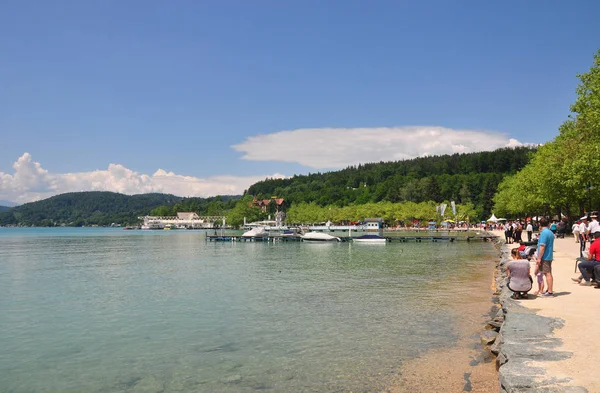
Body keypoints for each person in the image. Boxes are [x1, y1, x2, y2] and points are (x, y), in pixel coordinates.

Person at [536, 218, 555, 296]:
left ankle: (550, 291)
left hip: (545, 256)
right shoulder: (550, 232)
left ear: (540, 224)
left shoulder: (544, 233)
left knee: (547, 273)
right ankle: (549, 289)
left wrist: (539, 258)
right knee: (548, 273)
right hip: (549, 255)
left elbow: (542, 246)